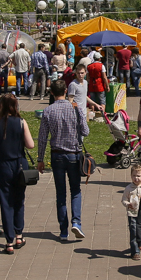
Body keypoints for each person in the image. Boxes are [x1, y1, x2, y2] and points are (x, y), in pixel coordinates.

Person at [37, 79, 90, 241]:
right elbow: (86, 131)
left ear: (51, 93)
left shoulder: (47, 111)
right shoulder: (75, 108)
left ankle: (63, 230)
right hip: (74, 154)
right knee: (75, 190)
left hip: (57, 155)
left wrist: (40, 158)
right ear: (66, 91)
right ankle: (76, 222)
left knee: (60, 193)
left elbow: (42, 137)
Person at [0, 94, 34, 254]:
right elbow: (31, 145)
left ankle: (8, 242)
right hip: (19, 164)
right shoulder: (22, 122)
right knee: (19, 200)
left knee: (6, 202)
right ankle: (19, 235)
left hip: (3, 165)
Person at [121, 164, 141, 260]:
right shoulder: (129, 188)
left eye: (138, 176)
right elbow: (123, 199)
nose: (136, 178)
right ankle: (135, 251)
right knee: (133, 231)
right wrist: (127, 204)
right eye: (134, 176)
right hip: (132, 213)